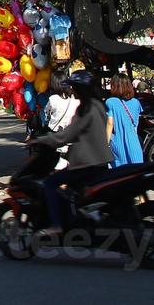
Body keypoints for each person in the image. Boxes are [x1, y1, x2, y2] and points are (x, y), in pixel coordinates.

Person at [30, 71, 110, 237]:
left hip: (85, 163)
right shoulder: (99, 105)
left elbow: (67, 135)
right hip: (101, 161)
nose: (72, 90)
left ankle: (57, 224)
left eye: (74, 87)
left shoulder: (85, 108)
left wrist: (42, 141)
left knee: (51, 183)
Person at [106, 75, 145, 167]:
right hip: (134, 142)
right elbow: (136, 124)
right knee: (136, 171)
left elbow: (110, 123)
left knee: (120, 172)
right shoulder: (136, 102)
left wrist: (105, 144)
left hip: (117, 142)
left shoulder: (110, 102)